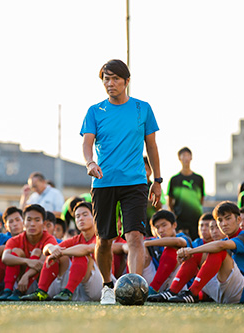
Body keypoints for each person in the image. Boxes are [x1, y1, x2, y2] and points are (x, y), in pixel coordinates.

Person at [80, 59, 162, 305]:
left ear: (127, 81)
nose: (110, 83)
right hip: (103, 183)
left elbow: (152, 146)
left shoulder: (142, 108)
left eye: (115, 78)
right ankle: (107, 286)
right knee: (104, 239)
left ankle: (134, 286)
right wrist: (90, 163)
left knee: (135, 237)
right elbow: (87, 143)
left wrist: (157, 180)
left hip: (136, 182)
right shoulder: (95, 111)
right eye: (106, 78)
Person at [152, 201, 244, 304]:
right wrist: (191, 254)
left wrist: (191, 250)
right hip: (223, 292)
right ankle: (172, 291)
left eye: (228, 218)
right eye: (220, 220)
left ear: (238, 220)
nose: (224, 223)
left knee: (216, 251)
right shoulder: (225, 240)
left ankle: (193, 293)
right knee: (198, 254)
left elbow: (220, 246)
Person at [20, 201, 101, 302]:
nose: (81, 218)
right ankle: (41, 291)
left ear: (95, 217)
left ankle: (68, 291)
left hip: (100, 287)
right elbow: (48, 249)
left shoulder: (101, 237)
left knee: (80, 254)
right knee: (57, 255)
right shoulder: (75, 239)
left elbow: (87, 249)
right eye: (77, 216)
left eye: (85, 215)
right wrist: (52, 249)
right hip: (79, 288)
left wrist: (60, 252)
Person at [0, 204, 58, 301]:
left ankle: (20, 292)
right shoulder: (15, 240)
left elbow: (42, 263)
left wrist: (26, 275)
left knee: (38, 252)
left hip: (42, 283)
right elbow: (5, 258)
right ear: (24, 222)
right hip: (21, 282)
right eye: (29, 220)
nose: (32, 224)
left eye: (37, 220)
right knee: (16, 251)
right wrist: (27, 261)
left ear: (44, 224)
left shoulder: (49, 239)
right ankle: (7, 290)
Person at [144, 210, 192, 296]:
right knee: (139, 249)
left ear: (174, 225)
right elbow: (127, 246)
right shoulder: (154, 241)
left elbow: (178, 242)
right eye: (157, 227)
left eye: (164, 225)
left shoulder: (183, 237)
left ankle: (154, 288)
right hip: (158, 278)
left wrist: (146, 243)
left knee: (171, 248)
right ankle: (132, 284)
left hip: (178, 282)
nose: (161, 230)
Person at [167, 147, 205, 240]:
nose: (186, 158)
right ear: (179, 158)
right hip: (180, 219)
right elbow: (170, 200)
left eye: (188, 155)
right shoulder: (174, 179)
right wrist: (174, 214)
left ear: (191, 157)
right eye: (183, 155)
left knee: (196, 242)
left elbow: (202, 198)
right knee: (181, 242)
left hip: (195, 218)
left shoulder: (199, 178)